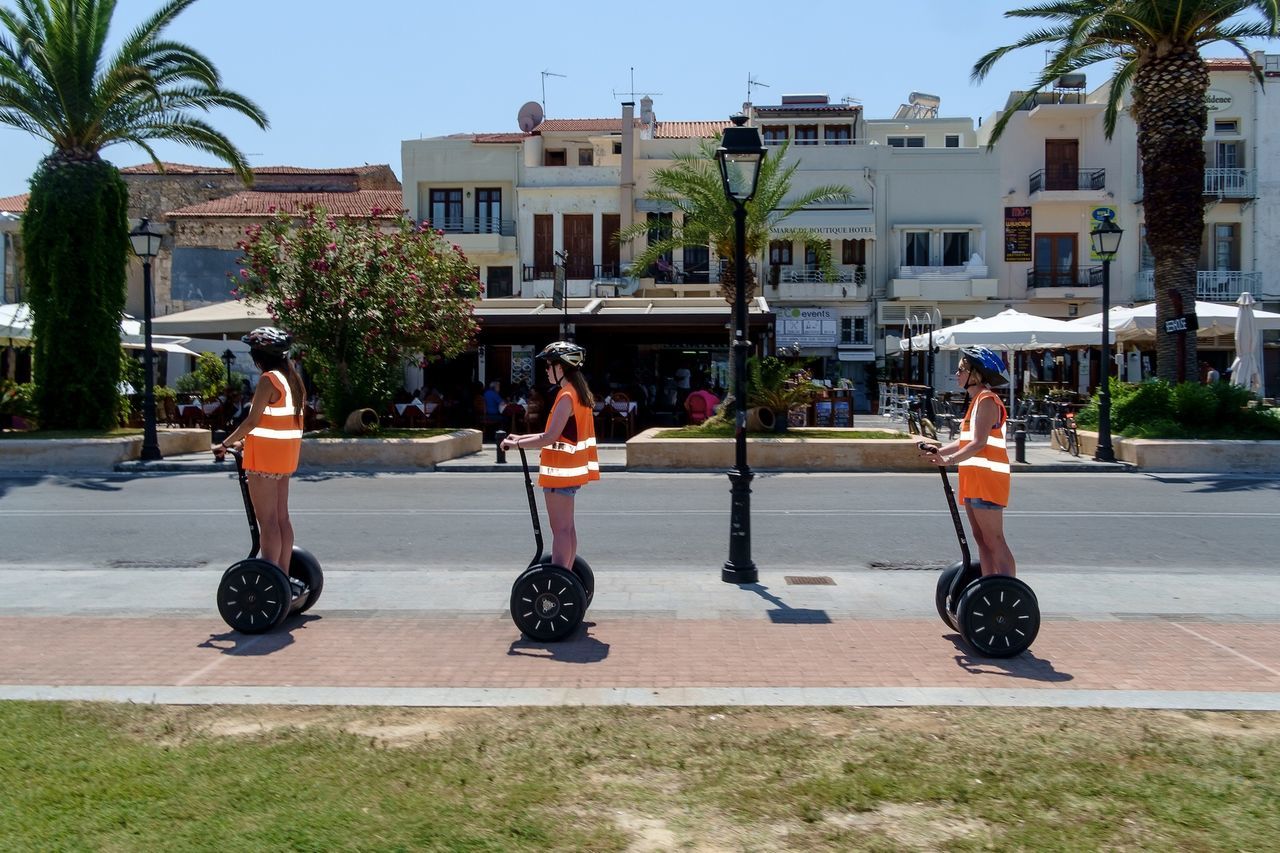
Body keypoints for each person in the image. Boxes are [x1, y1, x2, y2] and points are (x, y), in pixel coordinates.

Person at [212, 327, 306, 574]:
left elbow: (252, 421)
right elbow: (276, 421)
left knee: (268, 521)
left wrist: (224, 444)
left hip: (264, 460)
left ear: (260, 355)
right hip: (284, 457)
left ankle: (271, 574)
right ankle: (282, 575)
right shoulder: (292, 380)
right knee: (282, 518)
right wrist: (244, 442)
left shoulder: (268, 380)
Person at [501, 342, 600, 574]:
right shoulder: (577, 394)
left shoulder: (566, 396)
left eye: (549, 365)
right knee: (567, 529)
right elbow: (556, 434)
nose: (546, 369)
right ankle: (566, 576)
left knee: (561, 531)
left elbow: (549, 437)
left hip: (559, 473)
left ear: (561, 367)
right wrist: (521, 437)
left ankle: (558, 579)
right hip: (571, 471)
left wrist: (515, 444)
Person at [918, 346, 1015, 577]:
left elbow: (979, 443)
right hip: (974, 479)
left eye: (961, 370)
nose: (957, 374)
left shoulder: (987, 401)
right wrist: (938, 450)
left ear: (976, 374)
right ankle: (989, 585)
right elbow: (966, 441)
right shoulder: (975, 402)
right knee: (981, 538)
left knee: (994, 539)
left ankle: (1009, 588)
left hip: (988, 480)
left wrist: (949, 459)